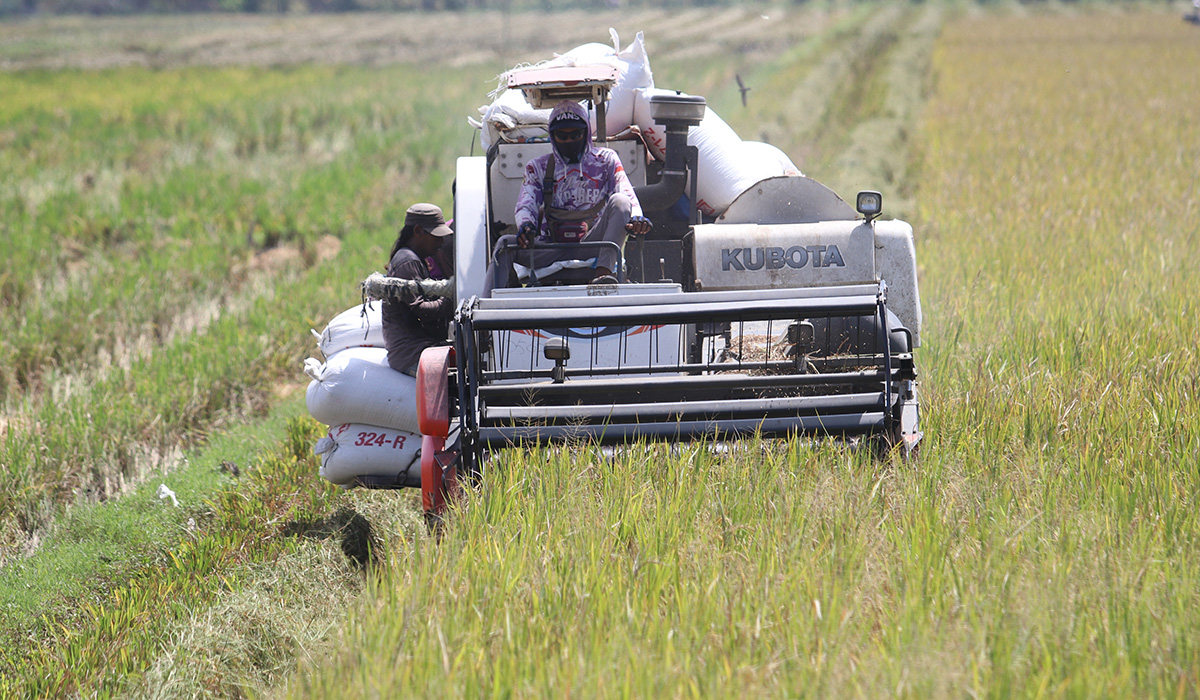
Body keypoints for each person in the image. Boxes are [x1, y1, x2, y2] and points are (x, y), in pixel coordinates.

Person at [483, 100, 651, 295]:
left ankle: (602, 277)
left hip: (593, 244)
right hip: (551, 246)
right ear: (553, 136)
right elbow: (525, 204)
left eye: (576, 135)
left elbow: (626, 191)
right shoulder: (538, 167)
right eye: (562, 136)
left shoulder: (607, 160)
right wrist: (526, 227)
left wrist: (637, 217)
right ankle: (486, 312)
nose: (570, 141)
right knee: (504, 244)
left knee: (621, 201)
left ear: (586, 132)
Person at [381, 203, 454, 376]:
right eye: (436, 236)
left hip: (416, 348)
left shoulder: (413, 259)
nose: (441, 242)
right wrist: (451, 298)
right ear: (418, 231)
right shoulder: (408, 262)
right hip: (412, 352)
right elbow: (421, 311)